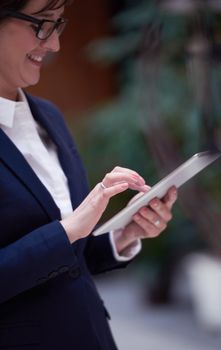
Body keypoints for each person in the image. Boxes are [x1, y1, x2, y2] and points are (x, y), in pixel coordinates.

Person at [0, 0, 177, 349]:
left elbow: (68, 259)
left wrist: (123, 235)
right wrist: (69, 230)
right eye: (42, 24)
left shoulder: (49, 116)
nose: (54, 44)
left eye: (58, 24)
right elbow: (63, 236)